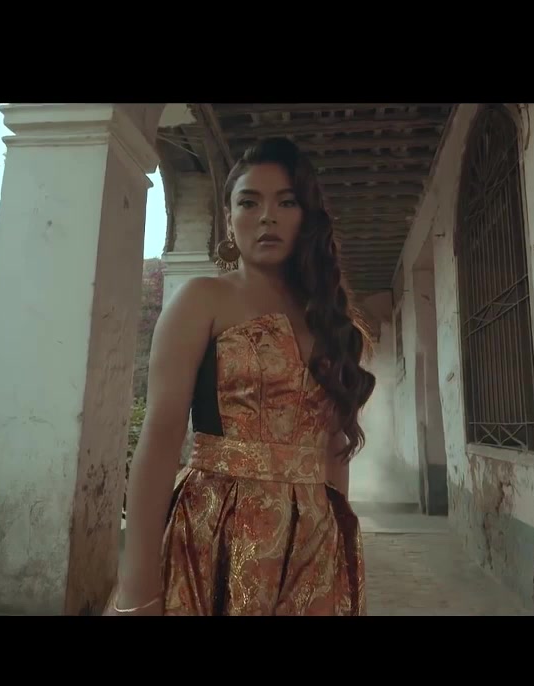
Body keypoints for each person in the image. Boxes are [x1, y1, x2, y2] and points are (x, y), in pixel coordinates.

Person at [106, 136, 377, 616]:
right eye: (249, 202)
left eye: (286, 202)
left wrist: (335, 547)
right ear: (229, 219)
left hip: (314, 543)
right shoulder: (201, 300)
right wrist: (137, 586)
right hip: (216, 529)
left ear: (306, 217)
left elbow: (334, 450)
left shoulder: (333, 322)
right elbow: (161, 439)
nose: (267, 216)